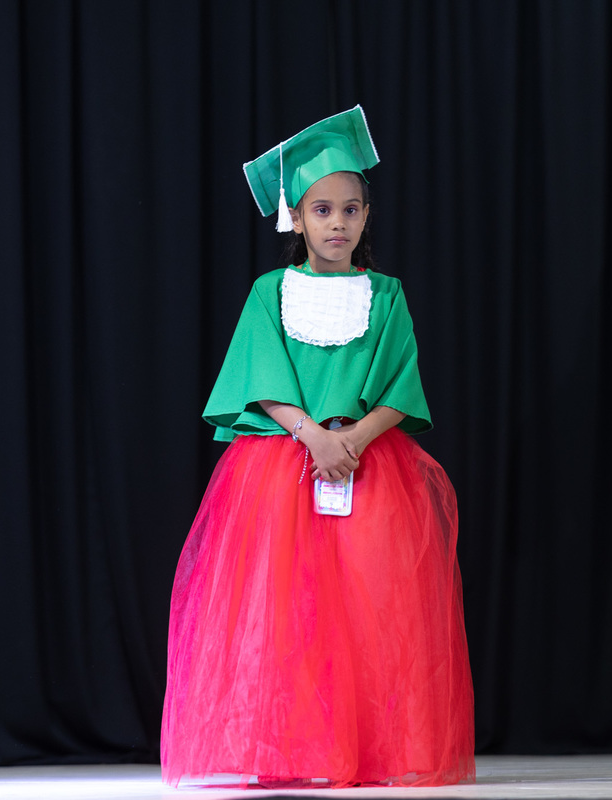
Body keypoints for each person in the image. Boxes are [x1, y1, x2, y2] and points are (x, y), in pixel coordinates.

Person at [160, 106, 475, 788]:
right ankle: (290, 750)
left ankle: (369, 750)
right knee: (286, 611)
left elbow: (400, 385)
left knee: (367, 609)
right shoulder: (270, 292)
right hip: (281, 466)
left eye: (350, 210)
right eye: (322, 210)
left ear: (367, 217)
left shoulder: (385, 296)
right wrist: (312, 436)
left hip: (367, 464)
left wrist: (352, 438)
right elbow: (259, 375)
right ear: (296, 219)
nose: (338, 223)